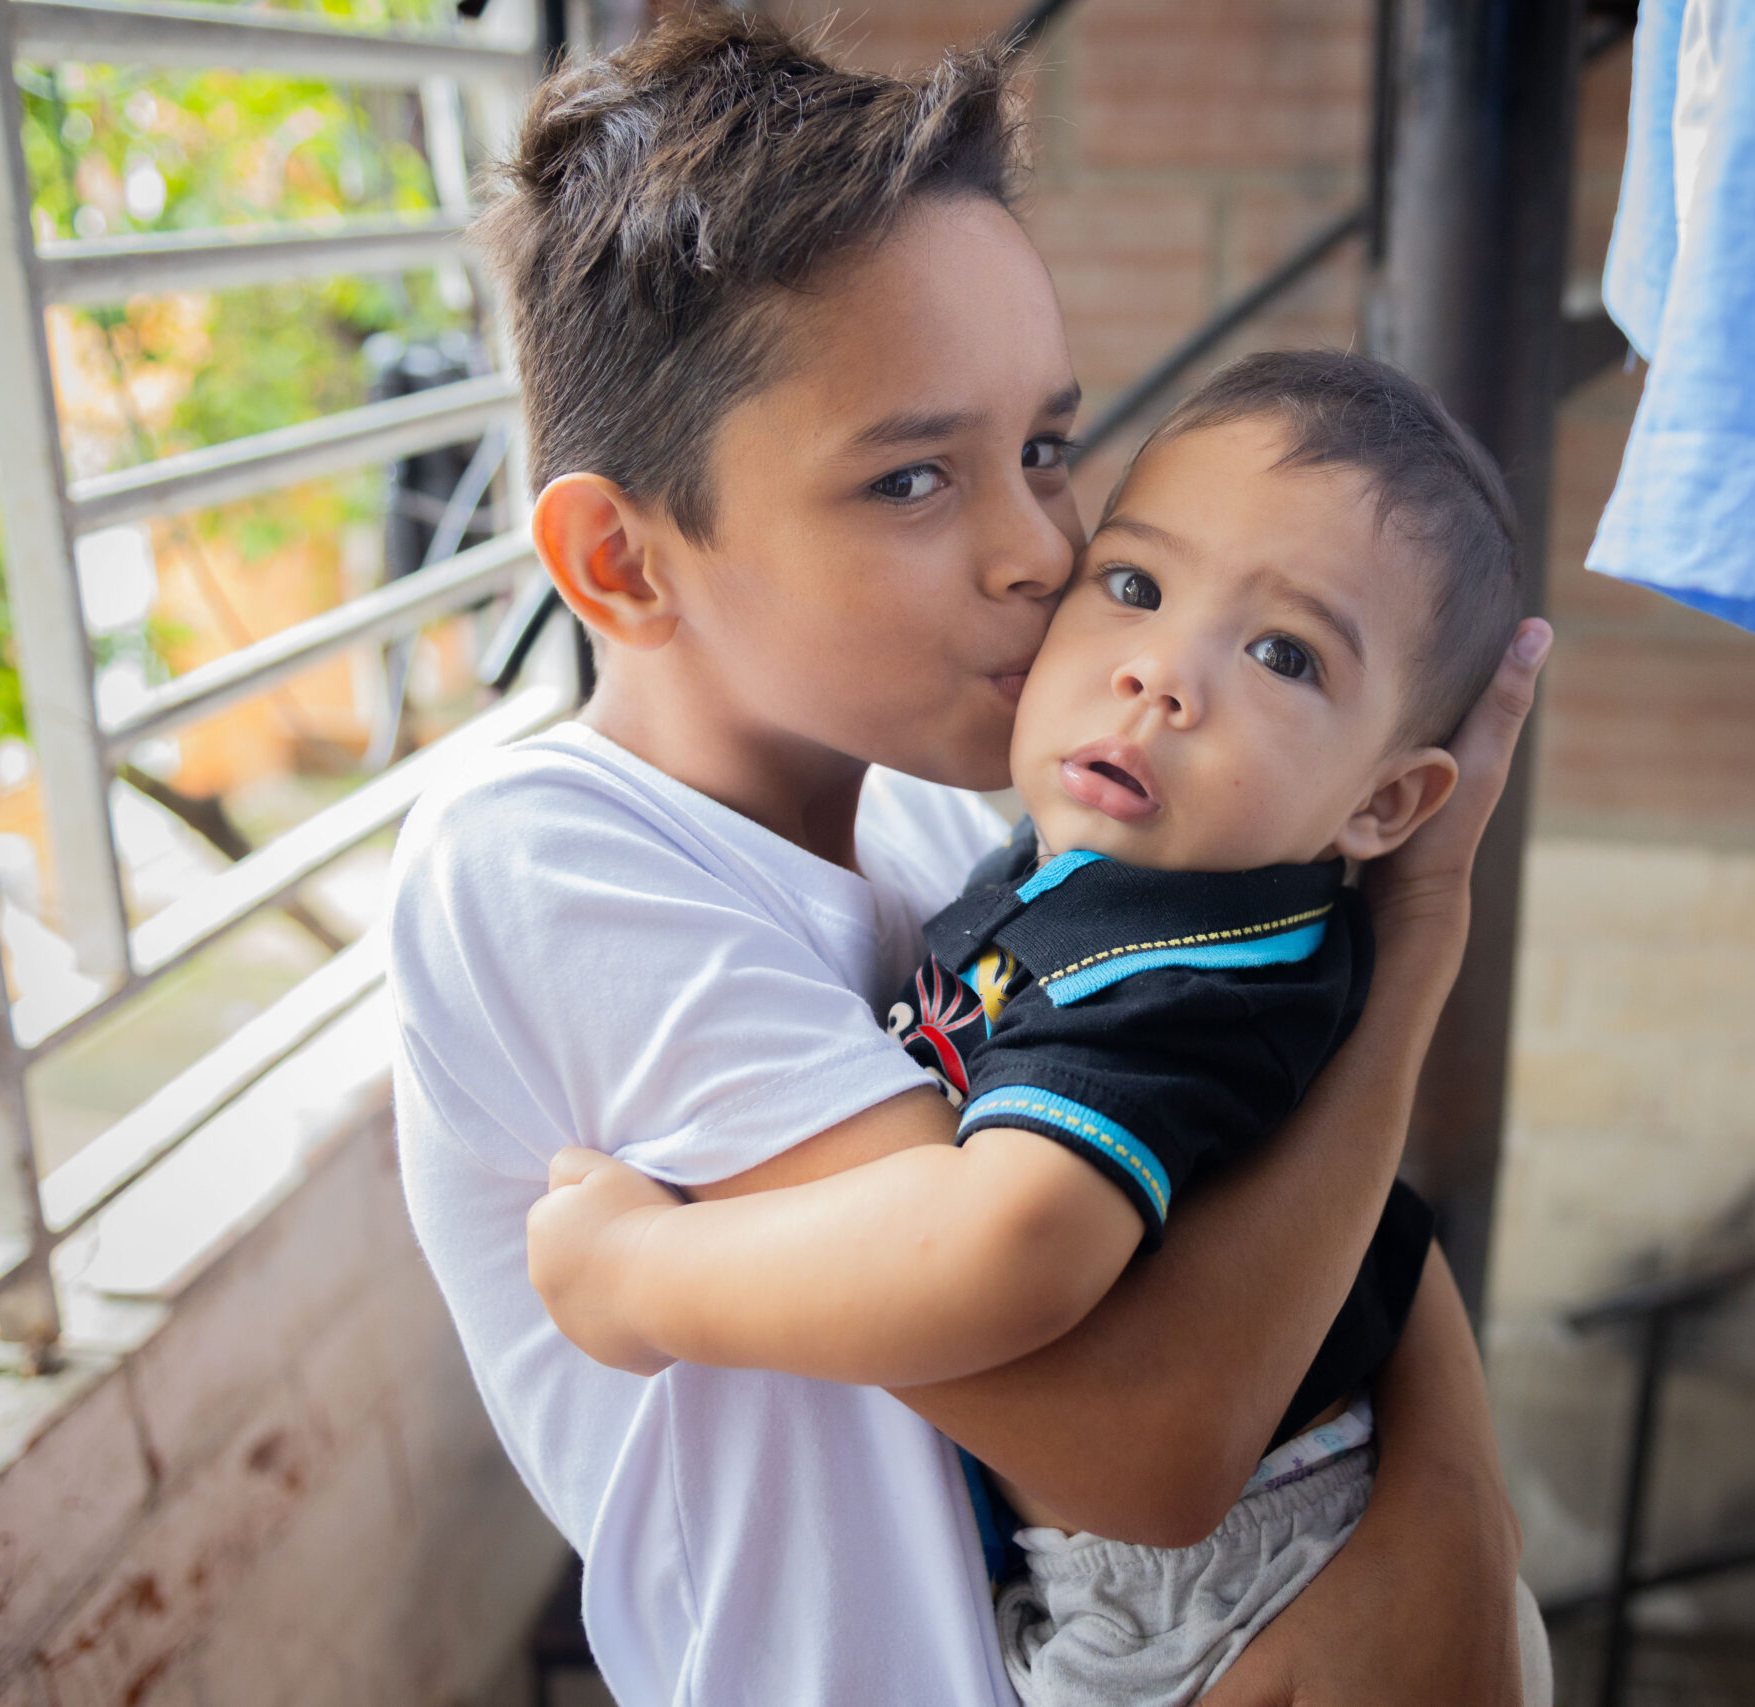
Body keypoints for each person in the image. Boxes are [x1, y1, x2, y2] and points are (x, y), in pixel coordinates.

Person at [387, 10, 1551, 1704]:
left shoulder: (964, 826)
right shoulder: (548, 863)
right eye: (915, 479)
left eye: (1048, 450)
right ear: (624, 565)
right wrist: (1411, 960)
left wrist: (1451, 1513)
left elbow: (1296, 1160)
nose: (1042, 553)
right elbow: (1140, 1445)